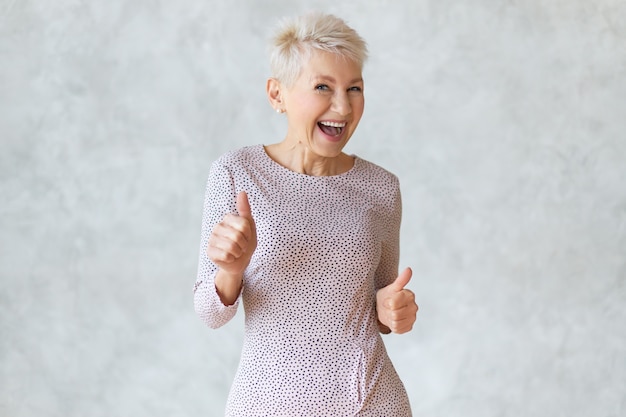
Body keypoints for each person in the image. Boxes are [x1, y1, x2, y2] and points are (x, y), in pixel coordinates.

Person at [194, 12, 418, 416]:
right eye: (322, 87)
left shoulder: (382, 188)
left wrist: (391, 310)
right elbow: (210, 314)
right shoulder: (237, 173)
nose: (343, 106)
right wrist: (230, 270)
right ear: (276, 94)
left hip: (371, 402)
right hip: (269, 404)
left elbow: (381, 301)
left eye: (354, 88)